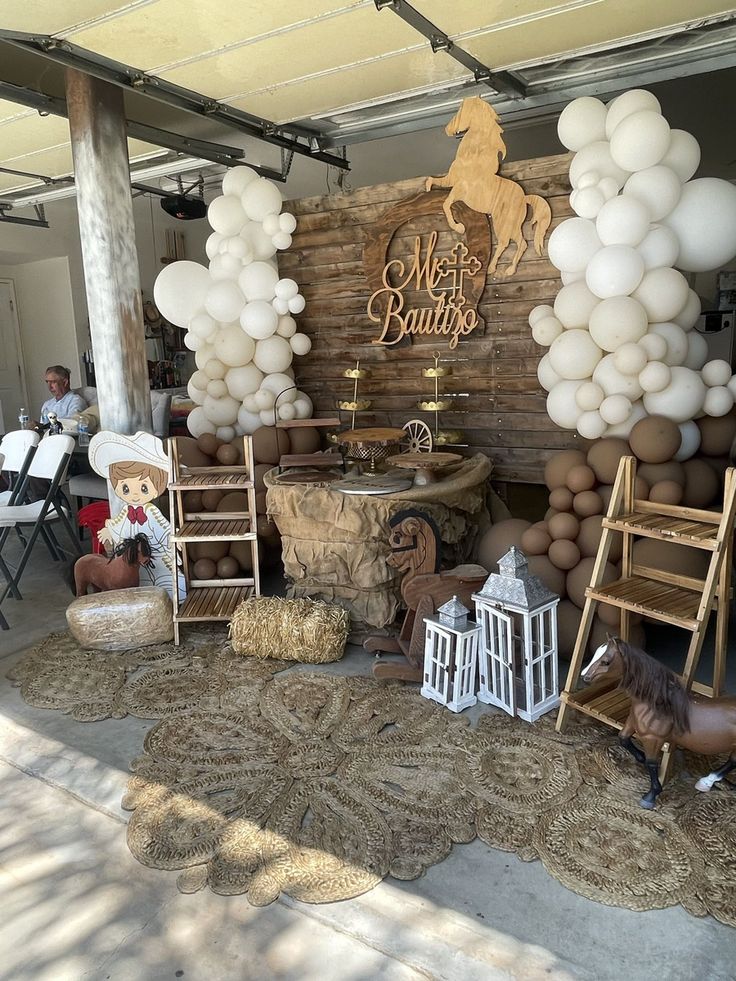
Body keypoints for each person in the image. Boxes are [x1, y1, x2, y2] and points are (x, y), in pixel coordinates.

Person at [88, 430, 185, 600]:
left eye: (143, 488)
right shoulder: (126, 511)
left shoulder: (151, 512)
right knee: (130, 586)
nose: (134, 494)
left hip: (156, 562)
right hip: (131, 565)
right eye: (125, 487)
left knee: (174, 588)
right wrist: (109, 530)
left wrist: (175, 538)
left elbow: (164, 529)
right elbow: (118, 524)